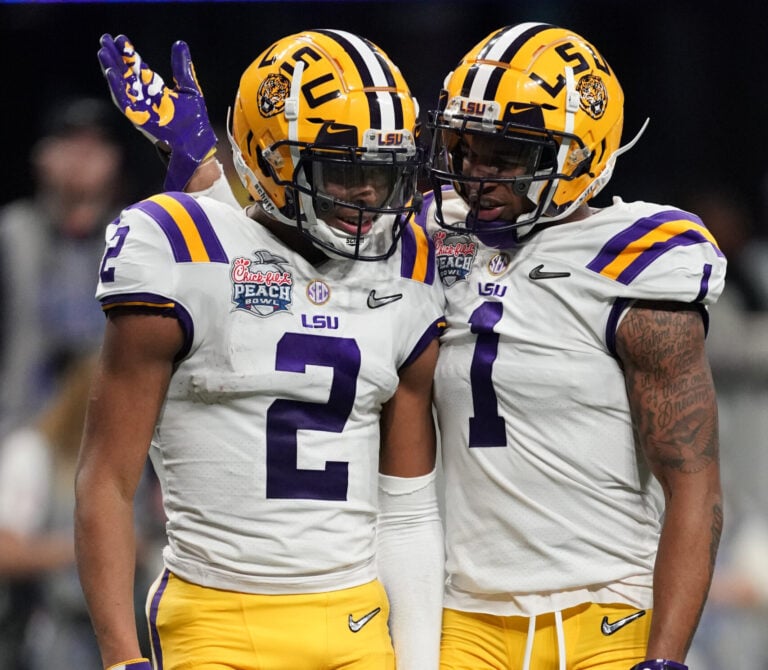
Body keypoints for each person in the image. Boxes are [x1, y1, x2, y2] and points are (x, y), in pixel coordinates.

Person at [75, 31, 445, 670]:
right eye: (344, 170)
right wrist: (120, 656)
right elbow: (106, 477)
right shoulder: (180, 246)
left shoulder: (406, 269)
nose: (366, 196)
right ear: (271, 161)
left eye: (381, 173)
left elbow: (408, 510)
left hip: (356, 622)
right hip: (215, 621)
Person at [422, 22, 725, 670]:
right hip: (462, 621)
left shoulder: (638, 261)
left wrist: (666, 659)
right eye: (464, 147)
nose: (476, 174)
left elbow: (695, 486)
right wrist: (208, 177)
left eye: (504, 155)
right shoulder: (428, 232)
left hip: (605, 615)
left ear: (579, 154)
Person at [0, 96, 127, 437]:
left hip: (110, 441)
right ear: (42, 156)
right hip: (20, 434)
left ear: (115, 160)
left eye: (96, 144)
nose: (82, 156)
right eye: (70, 142)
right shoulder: (12, 234)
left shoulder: (137, 239)